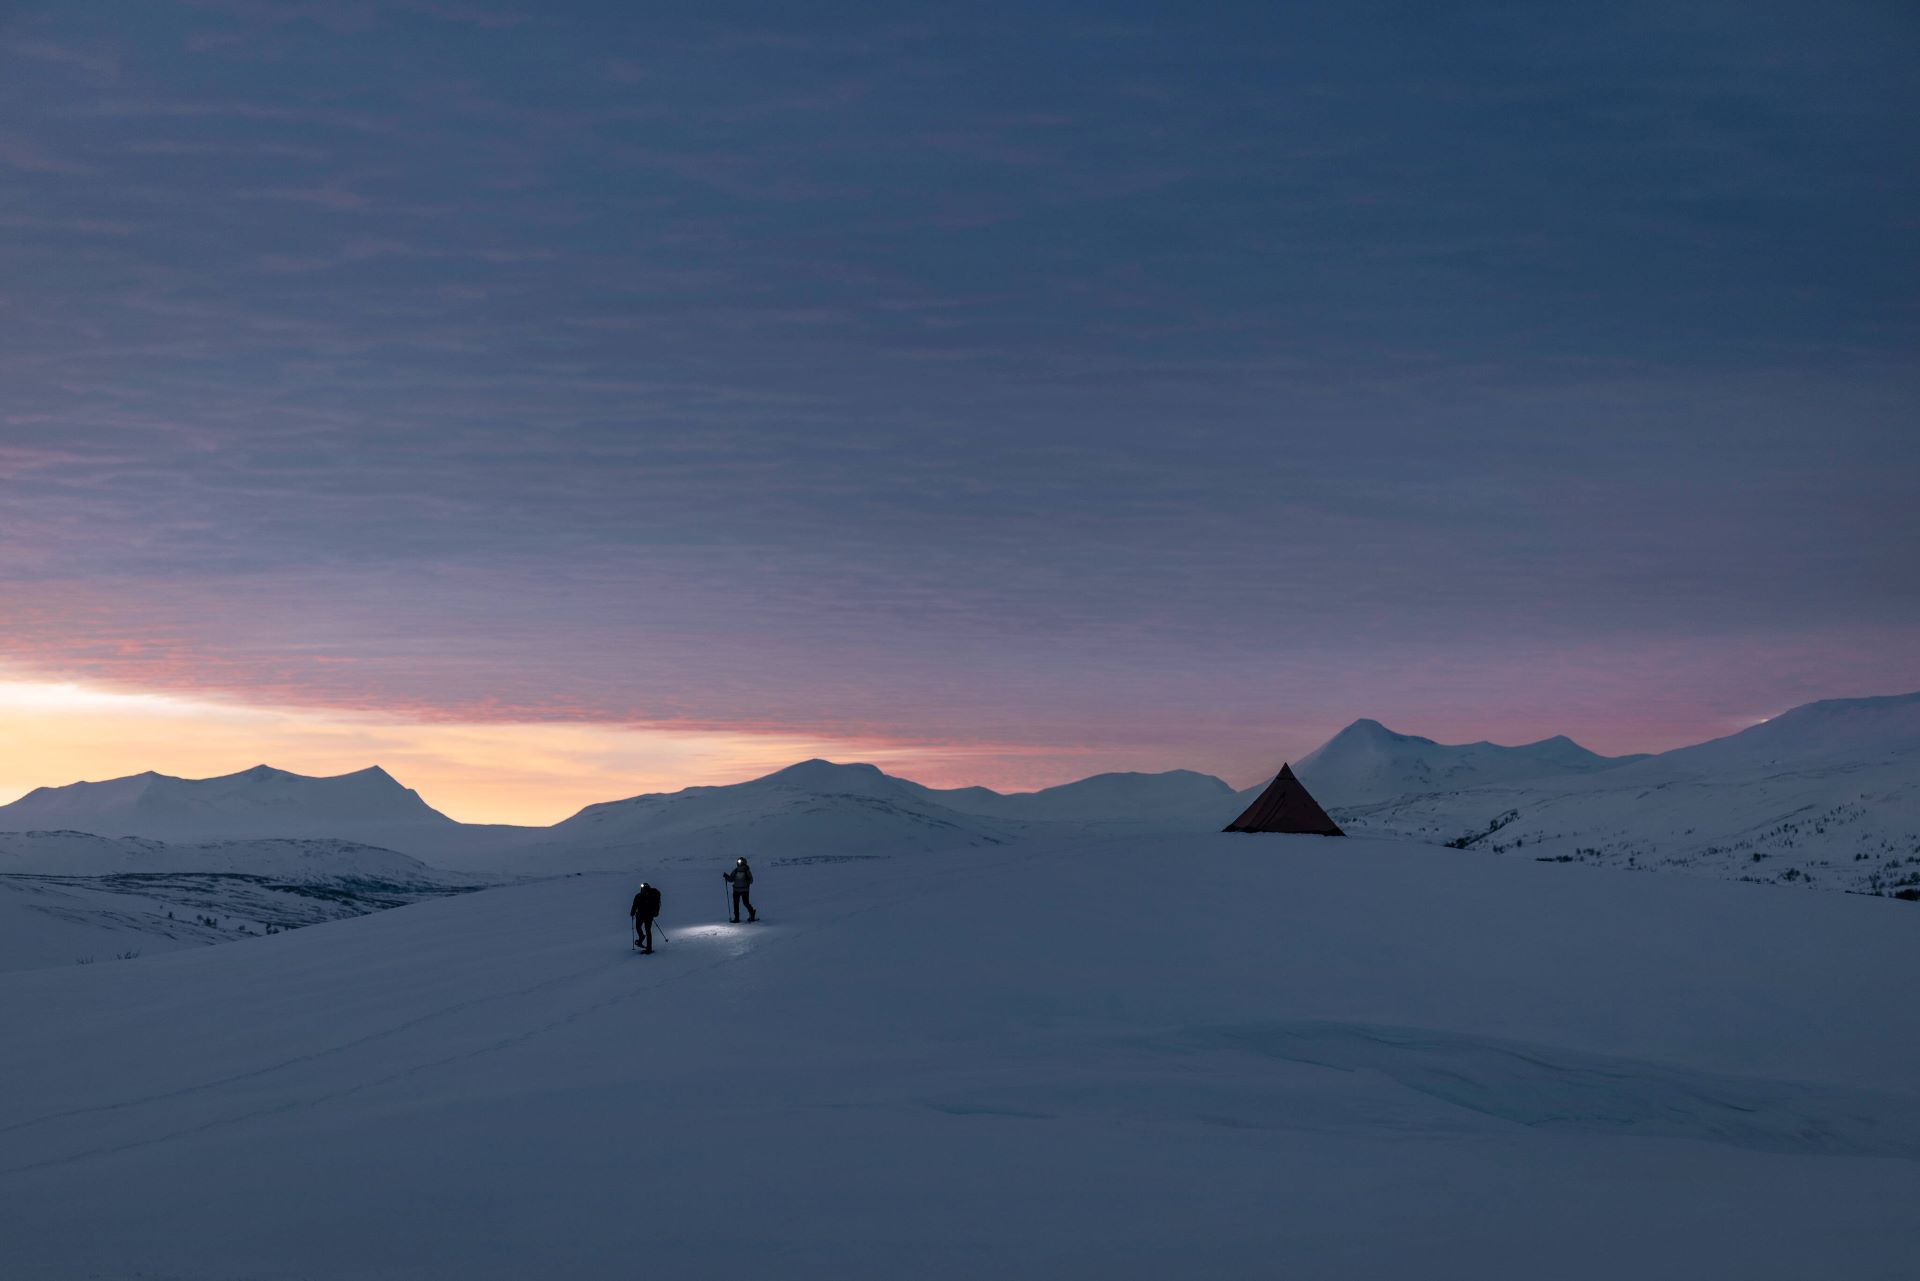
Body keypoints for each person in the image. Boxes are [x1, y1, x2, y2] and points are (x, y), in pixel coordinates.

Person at [630, 881, 662, 952]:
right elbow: (634, 905)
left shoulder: (649, 896)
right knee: (640, 928)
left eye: (643, 888)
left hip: (647, 916)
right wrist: (632, 912)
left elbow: (635, 905)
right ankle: (642, 938)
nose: (642, 890)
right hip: (643, 915)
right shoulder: (639, 896)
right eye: (642, 888)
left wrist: (632, 912)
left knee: (647, 930)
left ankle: (648, 947)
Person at [723, 857, 757, 923]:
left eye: (740, 862)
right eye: (738, 862)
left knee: (745, 903)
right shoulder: (736, 870)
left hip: (744, 890)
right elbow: (731, 879)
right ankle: (737, 918)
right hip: (737, 890)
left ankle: (751, 914)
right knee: (736, 904)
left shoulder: (746, 871)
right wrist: (727, 877)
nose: (739, 863)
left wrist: (748, 880)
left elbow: (751, 880)